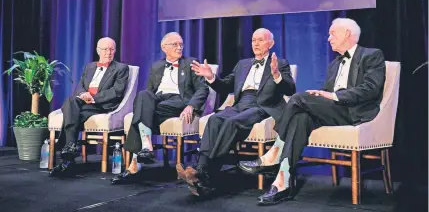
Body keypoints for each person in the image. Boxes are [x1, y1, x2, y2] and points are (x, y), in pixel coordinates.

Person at [239, 18, 386, 205]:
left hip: (355, 111)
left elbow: (371, 89)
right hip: (334, 110)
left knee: (298, 98)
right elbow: (325, 94)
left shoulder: (372, 55)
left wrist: (333, 96)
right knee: (300, 118)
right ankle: (282, 182)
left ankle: (275, 151)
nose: (328, 38)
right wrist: (322, 96)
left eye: (333, 34)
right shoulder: (334, 64)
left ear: (347, 34)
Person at [177, 28, 296, 197]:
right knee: (215, 119)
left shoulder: (280, 63)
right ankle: (202, 173)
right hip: (240, 104)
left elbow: (290, 90)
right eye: (254, 40)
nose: (256, 43)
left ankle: (205, 172)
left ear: (271, 43)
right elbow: (225, 87)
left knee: (232, 122)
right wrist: (211, 77)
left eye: (261, 40)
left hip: (262, 106)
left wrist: (277, 75)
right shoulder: (242, 64)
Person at [112, 32, 209, 184]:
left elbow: (203, 89)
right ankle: (146, 146)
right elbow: (150, 91)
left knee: (143, 112)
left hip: (179, 100)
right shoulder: (156, 66)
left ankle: (135, 163)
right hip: (158, 100)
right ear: (164, 48)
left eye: (181, 44)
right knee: (144, 95)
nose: (179, 47)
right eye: (175, 44)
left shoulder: (191, 63)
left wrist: (191, 105)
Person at [50, 37, 129, 176]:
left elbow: (116, 92)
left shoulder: (121, 68)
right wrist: (83, 94)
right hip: (83, 102)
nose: (108, 52)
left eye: (111, 49)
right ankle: (70, 150)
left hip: (102, 105)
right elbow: (79, 87)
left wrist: (93, 98)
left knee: (70, 109)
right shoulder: (90, 66)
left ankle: (68, 153)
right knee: (71, 100)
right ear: (98, 51)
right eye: (105, 49)